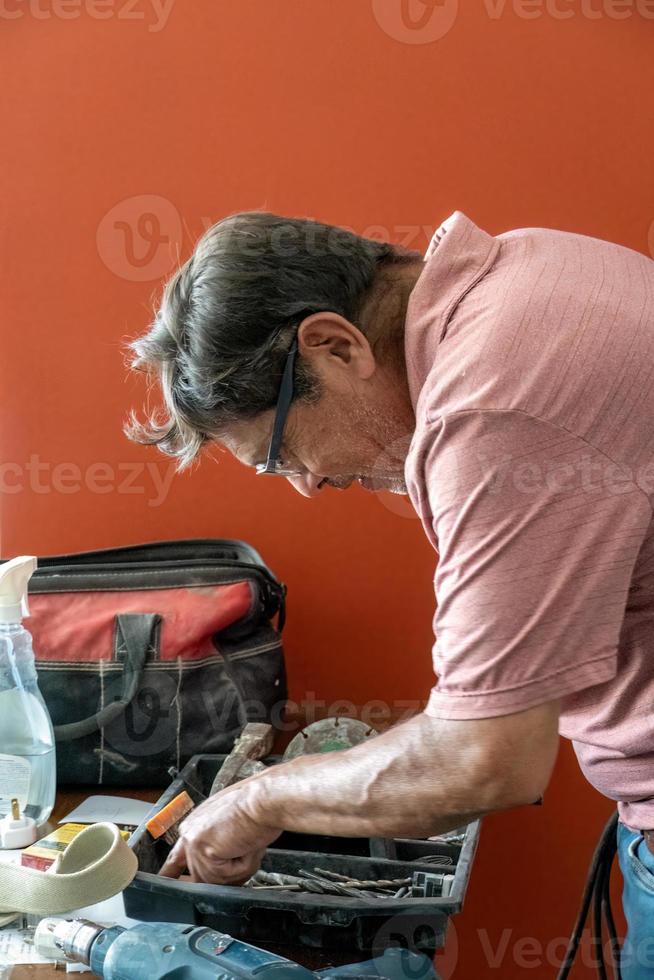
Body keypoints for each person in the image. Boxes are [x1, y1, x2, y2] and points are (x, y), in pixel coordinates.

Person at [126, 210, 654, 977]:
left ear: (334, 344)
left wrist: (255, 802)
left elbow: (485, 762)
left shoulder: (494, 405)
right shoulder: (538, 264)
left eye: (280, 454)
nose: (309, 485)